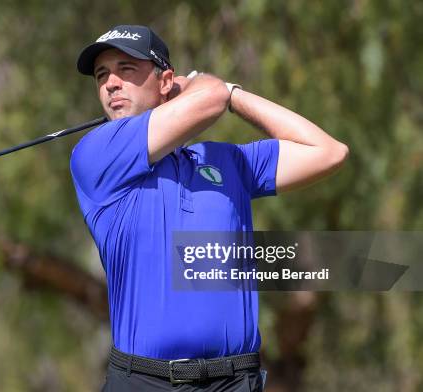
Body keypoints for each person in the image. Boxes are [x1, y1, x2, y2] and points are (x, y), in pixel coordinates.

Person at [70, 25, 348, 391]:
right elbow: (210, 98)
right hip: (144, 381)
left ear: (165, 81)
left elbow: (327, 152)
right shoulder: (96, 155)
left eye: (126, 69)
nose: (111, 84)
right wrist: (209, 89)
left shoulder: (226, 161)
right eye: (102, 75)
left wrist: (234, 95)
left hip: (235, 381)